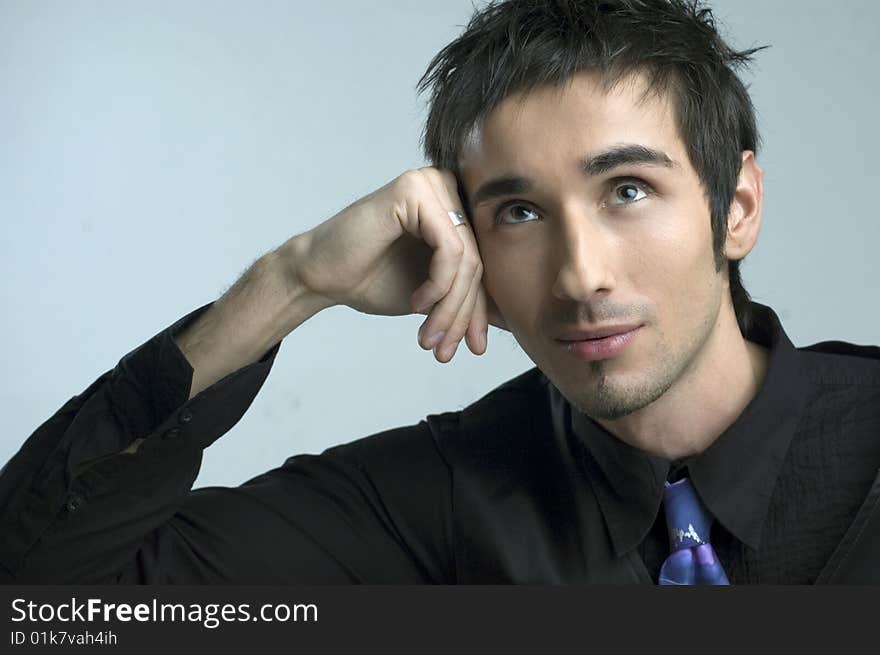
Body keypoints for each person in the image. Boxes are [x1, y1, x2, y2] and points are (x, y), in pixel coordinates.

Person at [1, 0, 878, 585]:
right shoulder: (444, 492)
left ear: (738, 207)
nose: (580, 276)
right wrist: (294, 278)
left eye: (628, 190)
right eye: (521, 211)